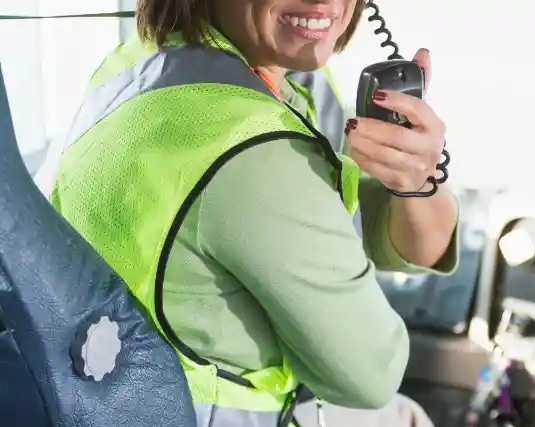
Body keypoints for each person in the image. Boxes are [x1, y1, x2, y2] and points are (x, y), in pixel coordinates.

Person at [48, 0, 459, 426]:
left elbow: (387, 233)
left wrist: (417, 180)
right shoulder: (256, 150)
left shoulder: (142, 60)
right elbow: (372, 376)